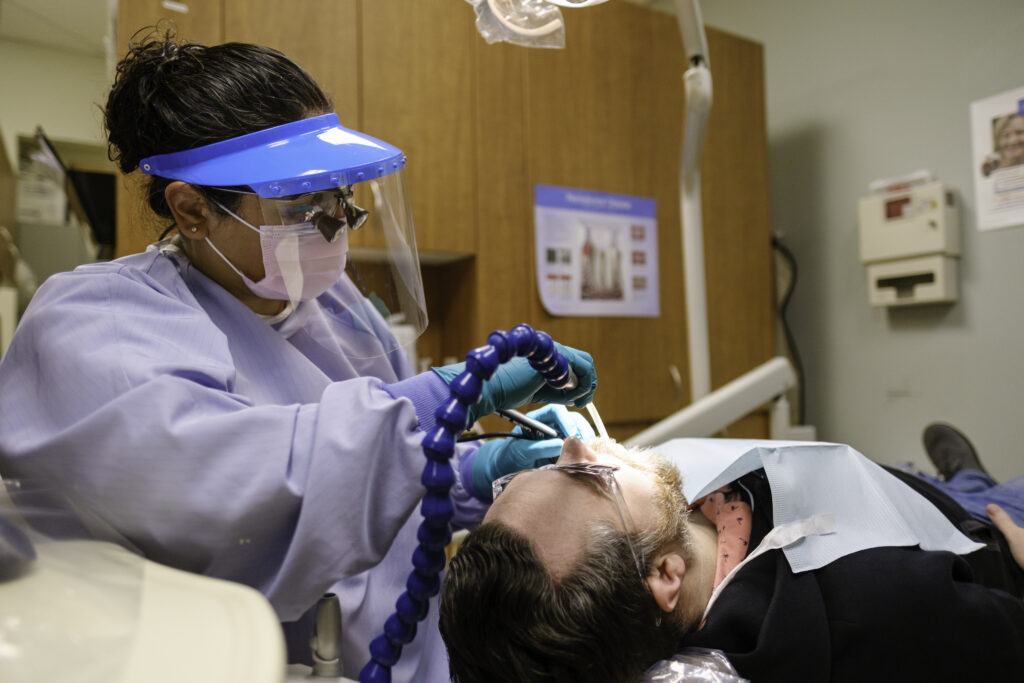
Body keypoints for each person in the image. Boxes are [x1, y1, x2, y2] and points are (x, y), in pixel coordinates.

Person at [0, 31, 598, 682]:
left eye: (340, 194)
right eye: (304, 202)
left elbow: (384, 463)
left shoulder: (333, 307)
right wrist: (447, 395)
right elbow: (233, 491)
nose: (337, 220)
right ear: (192, 209)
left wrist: (478, 470)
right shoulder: (93, 322)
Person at [439, 434, 1024, 682]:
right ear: (666, 574)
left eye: (532, 472)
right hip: (981, 540)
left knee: (947, 477)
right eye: (586, 475)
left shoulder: (668, 527)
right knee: (997, 498)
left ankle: (964, 473)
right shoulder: (874, 606)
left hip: (888, 483)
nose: (577, 443)